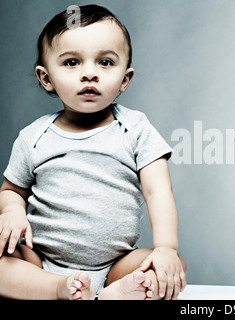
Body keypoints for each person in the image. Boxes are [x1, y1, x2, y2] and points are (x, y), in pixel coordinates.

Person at [0, 4, 186, 300]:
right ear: (46, 77)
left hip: (116, 265)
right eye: (72, 62)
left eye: (105, 62)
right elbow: (12, 190)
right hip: (41, 261)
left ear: (125, 79)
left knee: (167, 270)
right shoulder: (33, 137)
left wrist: (166, 248)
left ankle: (113, 293)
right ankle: (57, 289)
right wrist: (11, 211)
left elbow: (158, 191)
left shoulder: (135, 129)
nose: (90, 74)